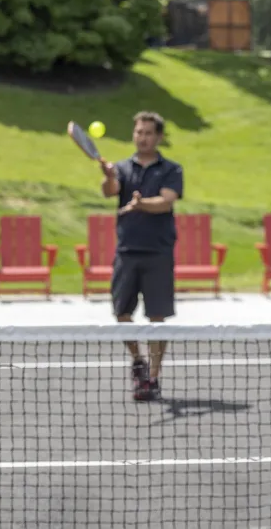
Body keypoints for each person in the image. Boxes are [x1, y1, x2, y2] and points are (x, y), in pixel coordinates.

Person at [99, 111, 183, 401]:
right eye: (138, 132)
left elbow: (166, 201)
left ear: (158, 137)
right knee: (121, 313)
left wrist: (140, 203)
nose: (142, 137)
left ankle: (154, 377)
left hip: (158, 252)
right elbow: (110, 191)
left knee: (156, 318)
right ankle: (138, 361)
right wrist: (110, 177)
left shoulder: (171, 169)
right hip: (127, 251)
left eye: (148, 133)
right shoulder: (122, 168)